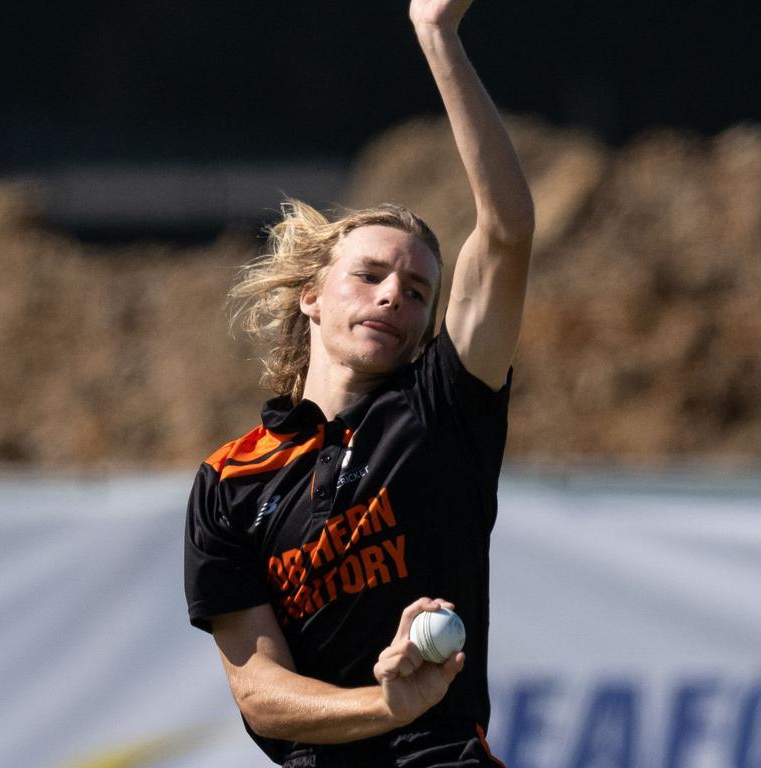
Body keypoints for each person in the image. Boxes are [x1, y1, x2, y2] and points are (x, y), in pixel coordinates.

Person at [184, 0, 534, 765]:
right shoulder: (230, 480)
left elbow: (506, 232)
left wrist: (436, 34)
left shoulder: (445, 409)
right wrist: (384, 704)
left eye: (416, 291)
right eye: (370, 275)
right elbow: (260, 693)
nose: (392, 297)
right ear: (311, 294)